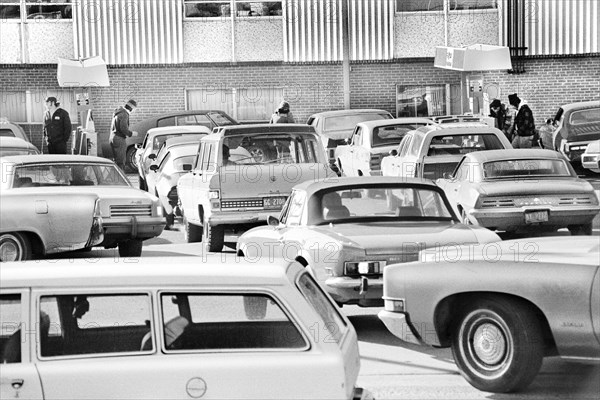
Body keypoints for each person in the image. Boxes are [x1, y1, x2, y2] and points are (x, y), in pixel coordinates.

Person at [110, 99, 137, 171]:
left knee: (116, 161)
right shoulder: (124, 114)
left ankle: (115, 179)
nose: (134, 111)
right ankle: (121, 180)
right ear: (132, 108)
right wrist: (132, 133)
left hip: (113, 137)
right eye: (134, 109)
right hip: (119, 139)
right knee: (121, 162)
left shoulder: (118, 112)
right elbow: (123, 128)